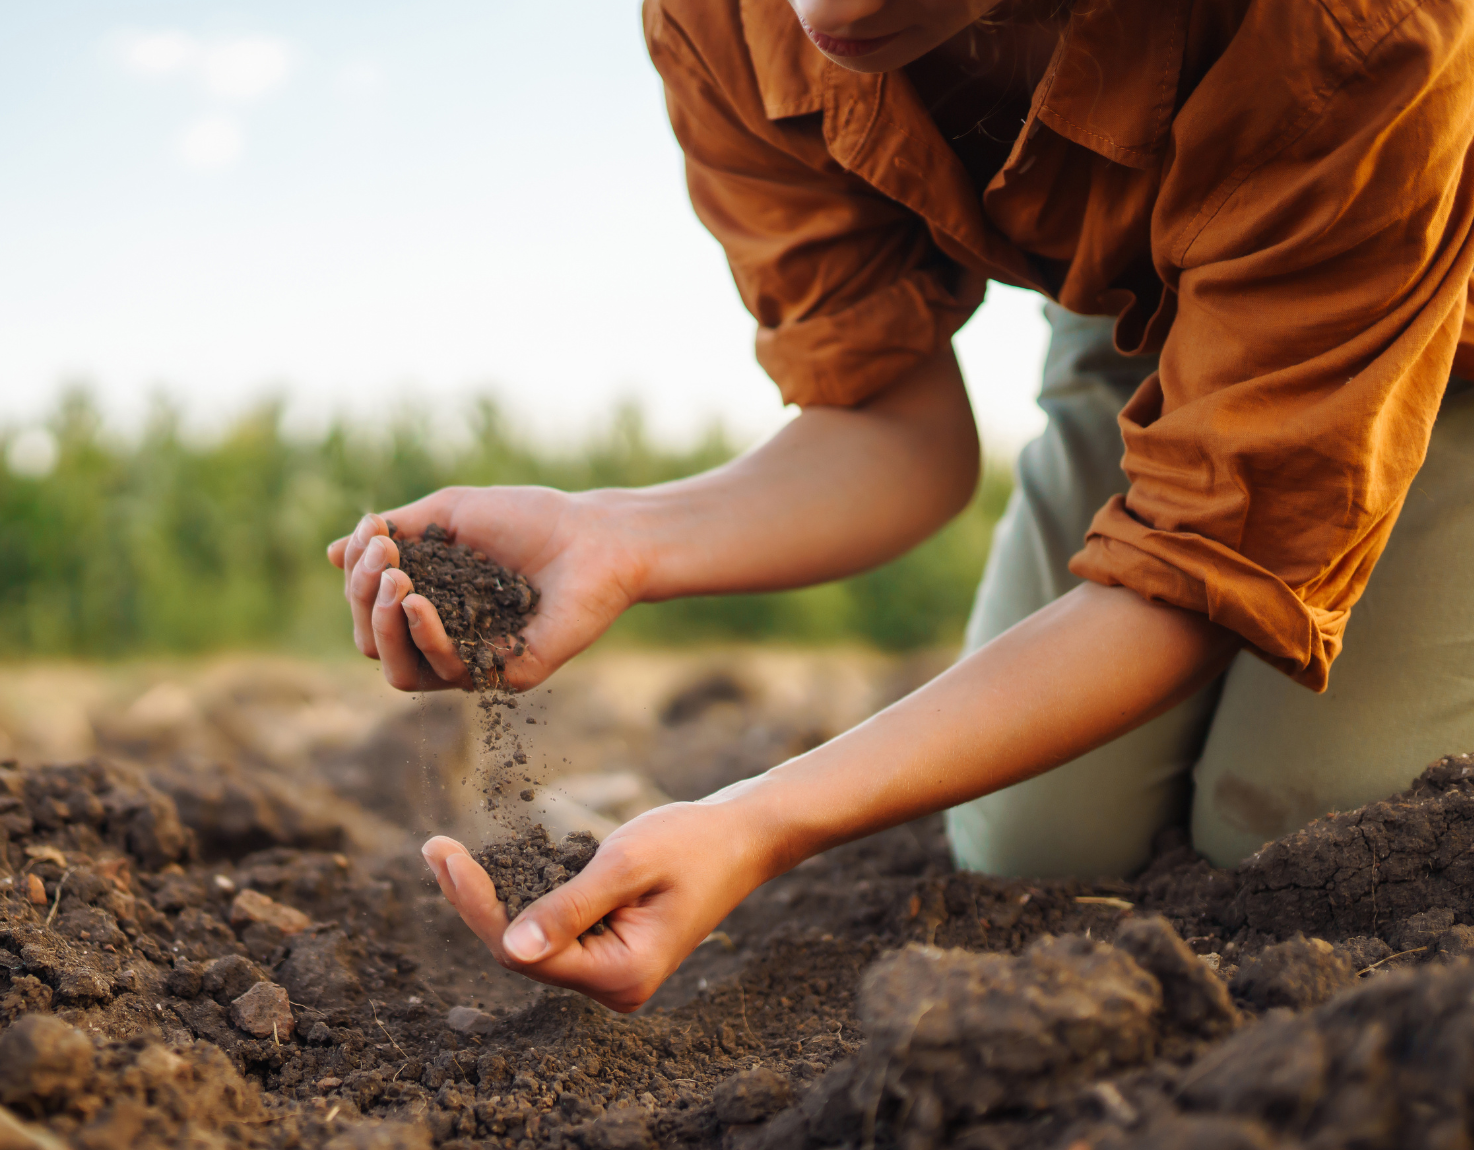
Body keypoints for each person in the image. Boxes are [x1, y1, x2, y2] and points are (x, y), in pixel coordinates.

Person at [328, 0, 1474, 1012]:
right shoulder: (726, 16)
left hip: (1430, 295)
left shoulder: (1356, 24)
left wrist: (762, 819)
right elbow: (895, 433)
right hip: (1151, 304)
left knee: (1297, 841)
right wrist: (621, 536)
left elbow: (1206, 560)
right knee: (1037, 845)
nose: (835, 9)